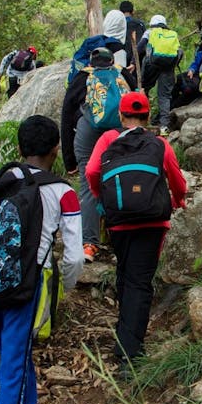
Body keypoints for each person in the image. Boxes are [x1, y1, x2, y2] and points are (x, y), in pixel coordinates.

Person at [0, 115, 84, 404]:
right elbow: (74, 257)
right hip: (23, 289)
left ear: (21, 148)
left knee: (14, 355)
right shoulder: (63, 191)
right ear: (55, 150)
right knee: (11, 367)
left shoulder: (0, 181)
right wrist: (67, 287)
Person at [85, 92, 187, 371]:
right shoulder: (159, 144)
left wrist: (102, 198)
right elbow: (177, 180)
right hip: (153, 222)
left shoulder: (108, 139)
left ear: (121, 115)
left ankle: (125, 330)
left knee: (126, 272)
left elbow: (93, 171)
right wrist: (179, 200)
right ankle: (130, 352)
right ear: (147, 116)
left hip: (119, 220)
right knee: (140, 281)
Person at [61, 47, 130, 263]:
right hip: (119, 132)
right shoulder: (122, 74)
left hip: (87, 133)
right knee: (120, 179)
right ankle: (122, 237)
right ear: (111, 60)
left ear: (91, 61)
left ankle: (89, 244)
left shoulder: (82, 78)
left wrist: (68, 159)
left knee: (87, 185)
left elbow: (66, 116)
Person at [136, 14, 183, 134]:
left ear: (152, 24)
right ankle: (164, 127)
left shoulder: (150, 31)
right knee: (164, 96)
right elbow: (179, 52)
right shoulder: (172, 34)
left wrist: (133, 62)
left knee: (143, 90)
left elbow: (140, 48)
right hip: (168, 67)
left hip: (152, 65)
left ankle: (142, 121)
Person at [120, 0, 147, 68]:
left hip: (123, 58)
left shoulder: (118, 25)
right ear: (132, 11)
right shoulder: (140, 24)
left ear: (120, 11)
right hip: (139, 57)